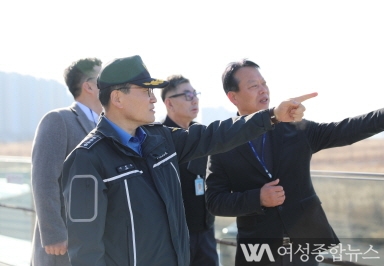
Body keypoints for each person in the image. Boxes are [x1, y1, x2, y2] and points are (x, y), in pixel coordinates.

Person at [61, 55, 317, 266]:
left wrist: (271, 116)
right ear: (117, 98)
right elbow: (85, 250)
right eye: (146, 91)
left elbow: (216, 135)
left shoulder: (160, 140)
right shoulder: (87, 160)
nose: (153, 99)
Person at [205, 59, 384, 266]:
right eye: (254, 86)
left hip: (302, 247)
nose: (263, 90)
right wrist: (257, 198)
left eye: (264, 83)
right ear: (233, 97)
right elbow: (214, 201)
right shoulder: (223, 141)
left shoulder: (293, 127)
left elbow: (342, 130)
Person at [31, 57, 102, 266]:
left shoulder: (106, 126)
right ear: (88, 85)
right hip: (64, 244)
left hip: (96, 242)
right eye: (103, 77)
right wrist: (53, 233)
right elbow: (44, 180)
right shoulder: (59, 120)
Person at [161, 74, 219, 266]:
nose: (194, 99)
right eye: (187, 96)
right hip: (173, 237)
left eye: (195, 94)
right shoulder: (158, 139)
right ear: (169, 104)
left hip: (205, 232)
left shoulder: (202, 134)